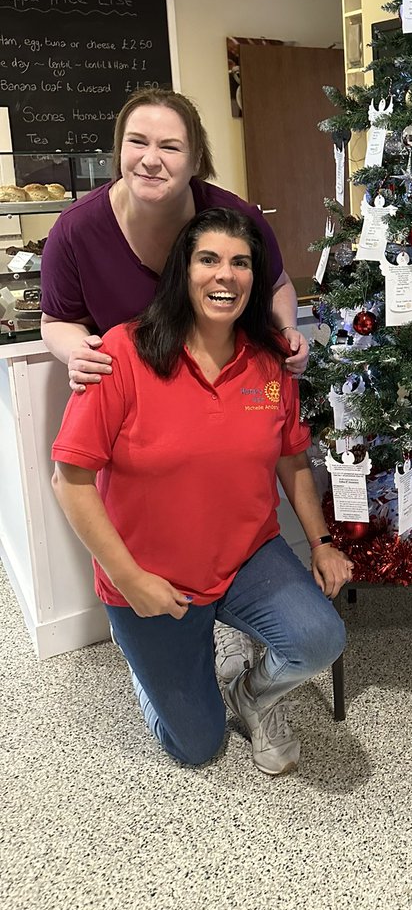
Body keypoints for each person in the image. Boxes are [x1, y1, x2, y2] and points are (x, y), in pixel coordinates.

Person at [51, 207, 352, 776]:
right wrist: (130, 579)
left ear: (255, 279)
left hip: (245, 555)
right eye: (209, 259)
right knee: (196, 745)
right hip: (151, 575)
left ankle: (249, 691)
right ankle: (152, 665)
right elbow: (69, 481)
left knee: (318, 638)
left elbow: (291, 458)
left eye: (241, 263)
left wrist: (321, 542)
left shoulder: (269, 360)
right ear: (183, 272)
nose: (226, 275)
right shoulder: (122, 353)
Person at [40, 86, 309, 677]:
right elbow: (56, 318)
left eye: (170, 146)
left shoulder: (234, 219)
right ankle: (159, 644)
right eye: (136, 142)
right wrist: (73, 350)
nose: (150, 158)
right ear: (118, 150)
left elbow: (278, 285)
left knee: (227, 496)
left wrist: (287, 333)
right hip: (133, 394)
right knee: (193, 737)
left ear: (196, 160)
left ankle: (234, 617)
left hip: (223, 387)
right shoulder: (77, 231)